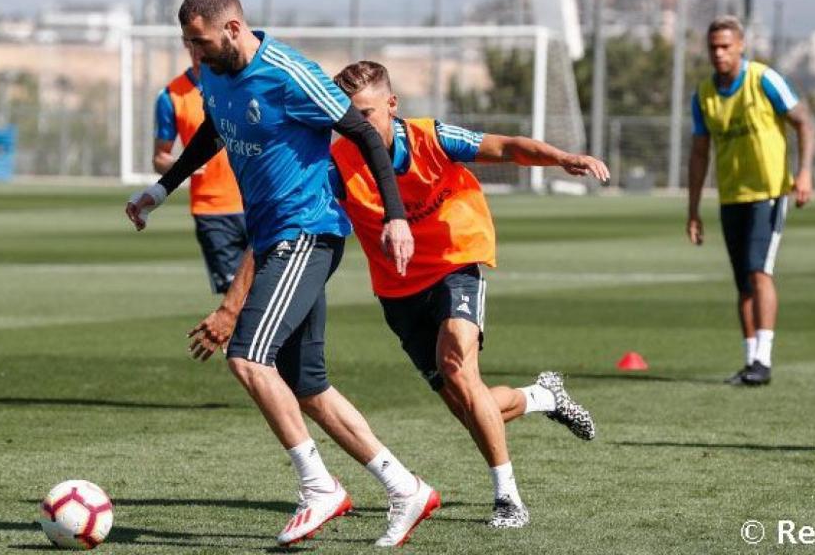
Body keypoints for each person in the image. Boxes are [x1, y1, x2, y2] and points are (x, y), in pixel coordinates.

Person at [189, 60, 608, 529]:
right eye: (346, 117)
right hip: (398, 289)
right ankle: (541, 397)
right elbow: (287, 223)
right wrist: (235, 298)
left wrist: (561, 157)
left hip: (455, 262)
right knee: (465, 403)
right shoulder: (338, 164)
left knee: (458, 367)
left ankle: (508, 497)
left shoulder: (432, 137)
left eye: (365, 114)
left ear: (392, 105)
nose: (354, 126)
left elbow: (505, 147)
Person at [126, 0, 439, 548]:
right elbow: (214, 132)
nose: (193, 54)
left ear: (232, 29)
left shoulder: (291, 74)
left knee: (247, 357)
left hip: (306, 232)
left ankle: (319, 488)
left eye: (199, 42)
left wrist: (395, 217)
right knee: (307, 386)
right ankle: (405, 487)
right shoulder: (215, 78)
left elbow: (363, 133)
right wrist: (161, 188)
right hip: (273, 238)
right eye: (186, 43)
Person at [687, 16, 813, 386]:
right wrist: (693, 210)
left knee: (760, 271)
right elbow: (699, 153)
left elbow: (804, 122)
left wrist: (804, 173)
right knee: (742, 279)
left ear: (741, 45)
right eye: (713, 47)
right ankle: (749, 362)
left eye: (726, 46)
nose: (719, 53)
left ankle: (764, 359)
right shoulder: (704, 95)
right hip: (731, 196)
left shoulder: (763, 79)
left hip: (769, 193)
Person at [154, 42, 247, 294]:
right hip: (212, 209)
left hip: (256, 200)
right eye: (193, 42)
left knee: (268, 291)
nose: (199, 49)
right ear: (186, 43)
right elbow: (159, 157)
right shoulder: (171, 96)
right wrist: (181, 166)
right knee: (232, 297)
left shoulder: (240, 82)